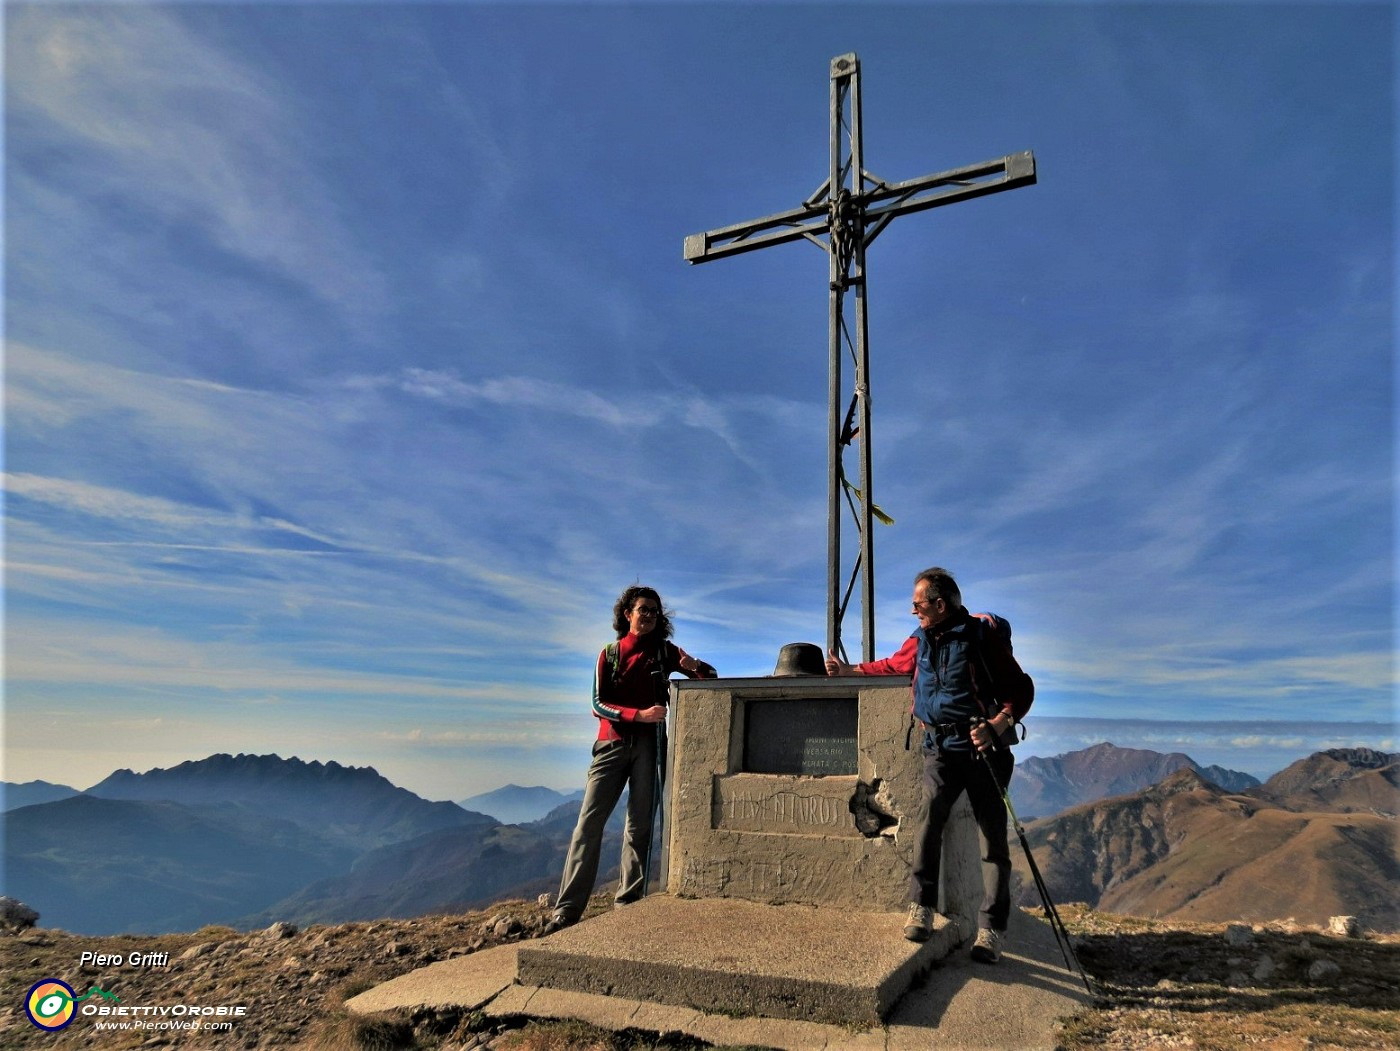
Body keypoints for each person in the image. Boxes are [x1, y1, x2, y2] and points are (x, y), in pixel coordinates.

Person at [825, 566, 1032, 964]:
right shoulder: (920, 640)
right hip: (938, 747)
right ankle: (921, 907)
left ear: (940, 604)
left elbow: (1022, 687)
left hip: (981, 748)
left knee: (992, 838)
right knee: (929, 821)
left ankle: (991, 929)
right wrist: (851, 671)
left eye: (918, 604)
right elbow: (894, 665)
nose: (913, 611)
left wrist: (998, 724)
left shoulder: (980, 638)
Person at [545, 585, 715, 933]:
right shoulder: (609, 654)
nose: (650, 614)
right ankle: (567, 910)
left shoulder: (665, 651)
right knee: (588, 825)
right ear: (628, 614)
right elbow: (597, 703)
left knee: (639, 827)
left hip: (651, 747)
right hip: (613, 745)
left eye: (654, 610)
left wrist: (692, 665)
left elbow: (710, 678)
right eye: (643, 609)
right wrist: (639, 715)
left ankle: (628, 906)